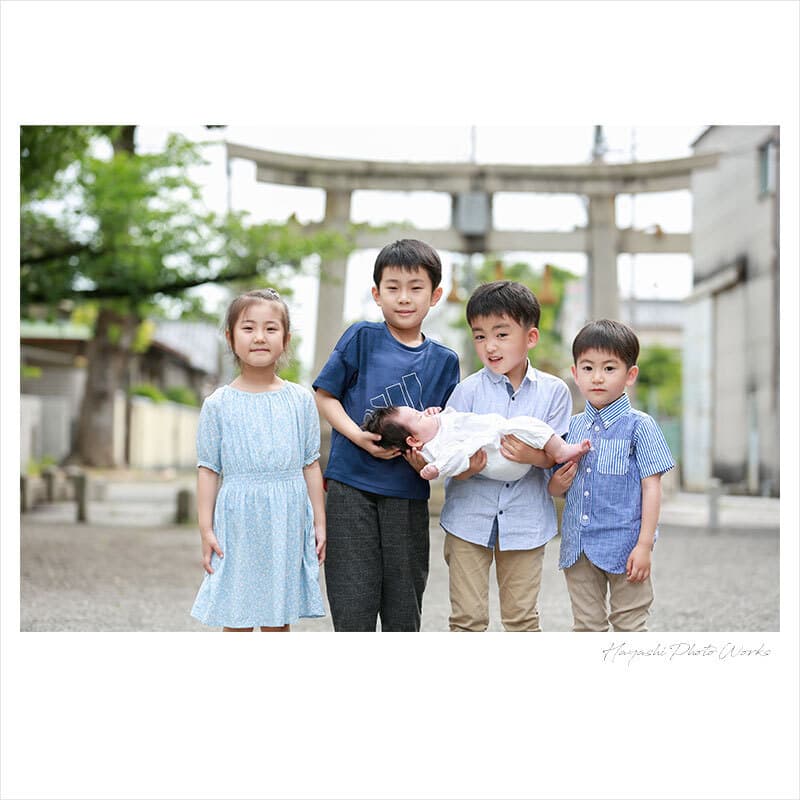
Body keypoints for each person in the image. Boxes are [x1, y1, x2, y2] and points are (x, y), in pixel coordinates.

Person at [313, 239, 460, 631]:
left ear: (436, 296)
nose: (404, 298)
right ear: (377, 294)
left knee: (403, 606)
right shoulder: (361, 337)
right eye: (392, 288)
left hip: (407, 495)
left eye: (416, 288)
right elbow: (325, 397)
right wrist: (357, 437)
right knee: (352, 602)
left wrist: (424, 457)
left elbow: (446, 431)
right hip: (349, 487)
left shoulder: (445, 362)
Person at [438, 280, 573, 632]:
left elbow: (555, 455)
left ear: (530, 337)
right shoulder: (465, 392)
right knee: (467, 619)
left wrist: (532, 455)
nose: (490, 346)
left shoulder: (554, 392)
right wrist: (467, 467)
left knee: (522, 620)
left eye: (501, 334)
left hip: (526, 520)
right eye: (480, 336)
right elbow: (449, 452)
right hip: (468, 518)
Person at [190, 288, 326, 632]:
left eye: (271, 328)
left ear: (286, 338)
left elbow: (310, 464)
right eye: (249, 328)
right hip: (237, 516)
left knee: (277, 615)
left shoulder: (300, 399)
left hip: (287, 515)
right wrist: (206, 528)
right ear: (230, 337)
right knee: (235, 610)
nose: (260, 337)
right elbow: (208, 469)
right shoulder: (218, 404)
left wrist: (319, 522)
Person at [548, 319, 675, 632]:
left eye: (609, 368)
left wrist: (644, 545)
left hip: (625, 547)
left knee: (630, 624)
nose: (598, 378)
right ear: (575, 373)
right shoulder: (570, 427)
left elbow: (651, 488)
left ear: (630, 375)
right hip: (578, 548)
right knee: (586, 626)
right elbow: (553, 485)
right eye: (588, 368)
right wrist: (556, 484)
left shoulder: (639, 427)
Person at [362, 405, 589, 482]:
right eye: (419, 417)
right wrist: (434, 468)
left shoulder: (440, 420)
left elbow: (451, 416)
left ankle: (560, 449)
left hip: (504, 441)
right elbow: (456, 464)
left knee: (523, 423)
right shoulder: (432, 449)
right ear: (414, 440)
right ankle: (438, 469)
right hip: (500, 463)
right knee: (457, 452)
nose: (425, 414)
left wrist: (431, 414)